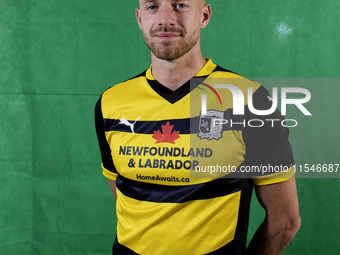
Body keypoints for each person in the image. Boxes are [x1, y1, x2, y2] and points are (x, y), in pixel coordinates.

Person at [95, 0, 301, 254]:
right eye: (152, 7)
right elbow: (125, 198)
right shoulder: (110, 103)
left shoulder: (250, 100)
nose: (165, 19)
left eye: (180, 5)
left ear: (204, 15)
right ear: (139, 19)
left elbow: (285, 223)